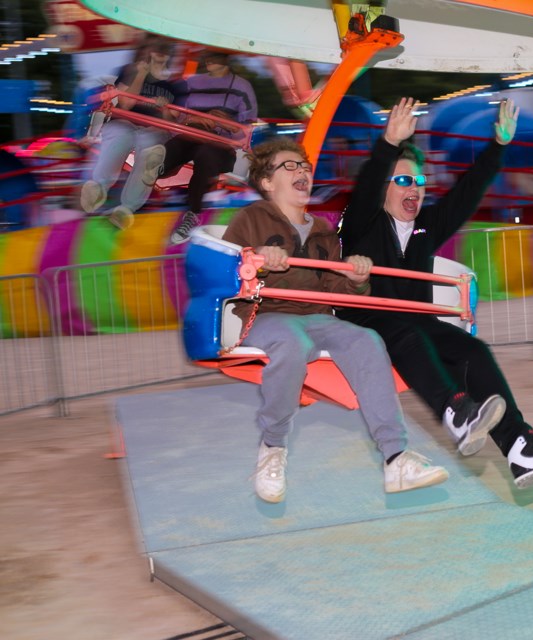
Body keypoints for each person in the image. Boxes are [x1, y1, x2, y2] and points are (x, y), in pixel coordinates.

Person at [339, 97, 533, 489]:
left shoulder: (427, 225)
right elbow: (366, 188)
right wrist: (388, 144)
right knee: (410, 333)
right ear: (384, 187)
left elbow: (467, 191)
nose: (415, 189)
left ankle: (521, 448)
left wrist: (498, 147)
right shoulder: (361, 222)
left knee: (472, 350)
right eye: (403, 180)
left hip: (414, 320)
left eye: (419, 182)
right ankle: (456, 412)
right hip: (367, 320)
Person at [222, 137, 449, 501]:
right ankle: (273, 447)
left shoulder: (325, 231)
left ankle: (395, 458)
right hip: (269, 313)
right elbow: (226, 269)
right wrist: (256, 260)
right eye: (290, 166)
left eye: (305, 167)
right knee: (294, 343)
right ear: (267, 182)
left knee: (368, 341)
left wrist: (356, 278)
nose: (302, 172)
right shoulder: (249, 219)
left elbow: (334, 292)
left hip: (317, 315)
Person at [140, 49, 259, 245]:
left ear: (226, 56)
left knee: (205, 151)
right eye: (206, 55)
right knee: (190, 137)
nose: (208, 59)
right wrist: (186, 117)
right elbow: (178, 118)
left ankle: (190, 209)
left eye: (214, 54)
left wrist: (225, 123)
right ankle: (158, 167)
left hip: (222, 147)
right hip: (190, 137)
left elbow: (247, 133)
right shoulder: (192, 83)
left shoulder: (241, 86)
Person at [79, 37, 175, 230]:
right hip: (125, 122)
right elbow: (126, 104)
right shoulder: (128, 71)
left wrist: (164, 110)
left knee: (150, 147)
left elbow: (171, 122)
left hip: (152, 128)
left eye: (160, 51)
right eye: (151, 51)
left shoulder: (171, 85)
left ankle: (127, 208)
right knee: (121, 135)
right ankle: (98, 187)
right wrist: (140, 74)